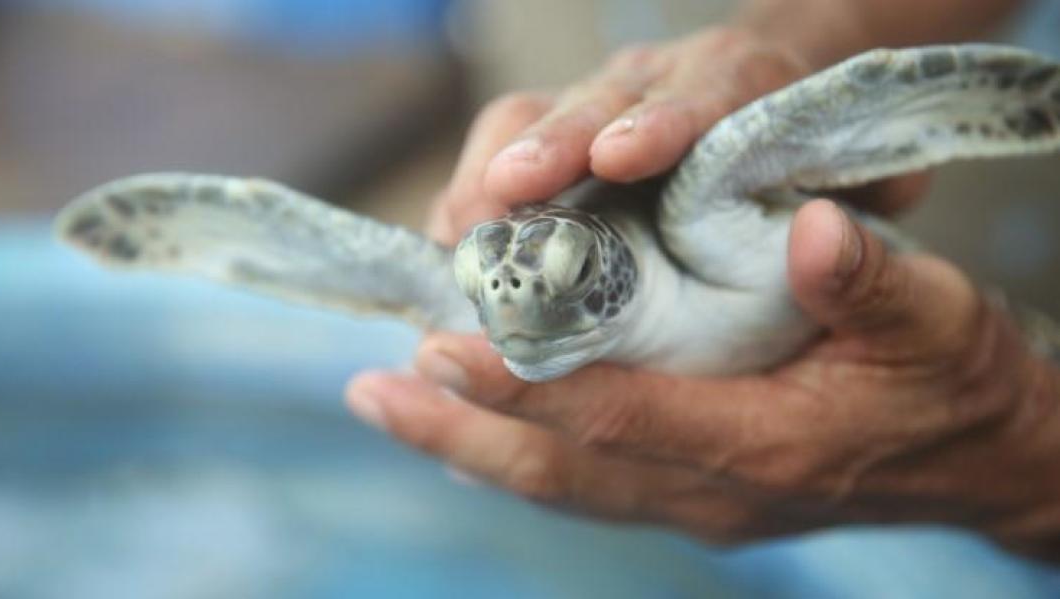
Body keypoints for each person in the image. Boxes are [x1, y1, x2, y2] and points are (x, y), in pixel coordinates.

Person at [346, 0, 1060, 563]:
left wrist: (1030, 458)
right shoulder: (507, 287)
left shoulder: (707, 221)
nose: (509, 300)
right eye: (484, 282)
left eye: (571, 273)